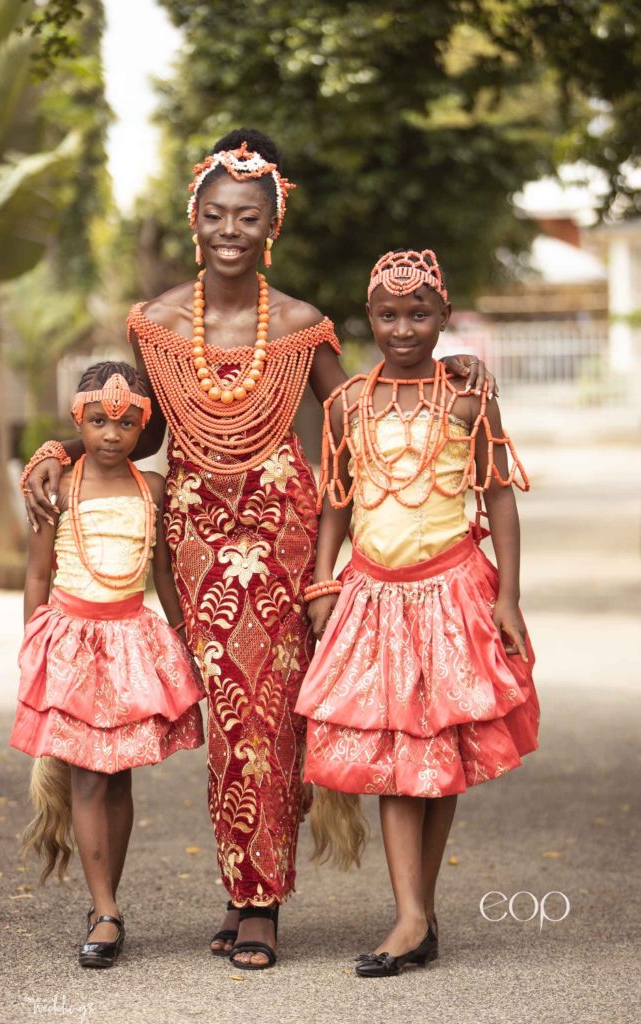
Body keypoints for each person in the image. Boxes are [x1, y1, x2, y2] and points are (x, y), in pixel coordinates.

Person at [20, 130, 496, 970]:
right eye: (214, 214)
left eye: (247, 216)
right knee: (222, 713)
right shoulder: (156, 326)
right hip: (193, 538)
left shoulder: (305, 327)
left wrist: (445, 375)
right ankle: (240, 888)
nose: (229, 229)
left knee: (267, 720)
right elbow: (137, 432)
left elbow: (355, 421)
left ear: (269, 226)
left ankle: (257, 903)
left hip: (283, 535)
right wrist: (61, 454)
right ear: (194, 220)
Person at [295, 248, 539, 977]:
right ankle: (408, 916)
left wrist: (508, 597)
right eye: (388, 314)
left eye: (419, 313)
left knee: (440, 760)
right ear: (368, 318)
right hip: (372, 598)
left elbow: (497, 496)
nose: (403, 328)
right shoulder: (348, 404)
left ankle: (417, 913)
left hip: (453, 592)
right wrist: (320, 581)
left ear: (444, 315)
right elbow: (335, 498)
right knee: (399, 760)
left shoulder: (467, 396)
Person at [12, 361, 204, 968]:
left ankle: (107, 900)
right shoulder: (58, 487)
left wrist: (182, 635)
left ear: (143, 426)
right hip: (71, 643)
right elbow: (38, 574)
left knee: (117, 774)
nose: (111, 435)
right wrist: (32, 650)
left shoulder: (154, 489)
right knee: (88, 776)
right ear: (78, 421)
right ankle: (106, 911)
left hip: (129, 642)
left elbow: (165, 572)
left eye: (125, 424)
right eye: (98, 422)